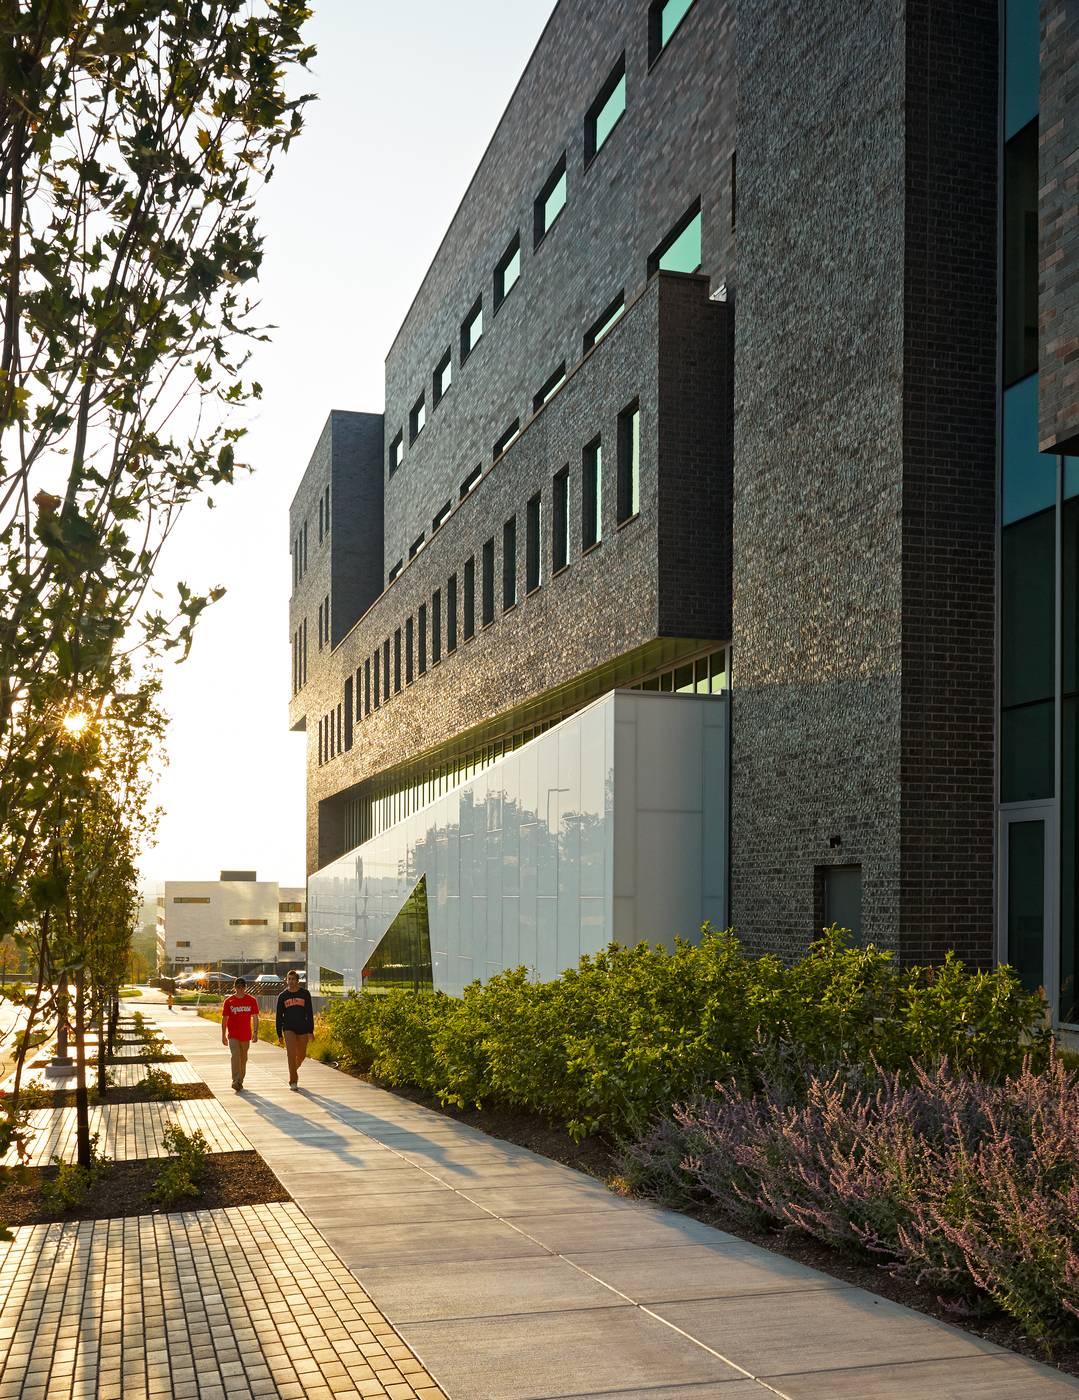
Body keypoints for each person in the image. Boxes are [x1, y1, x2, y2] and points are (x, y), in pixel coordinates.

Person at [276, 970, 314, 1090]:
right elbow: (278, 1016)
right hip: (288, 1029)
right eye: (289, 979)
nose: (291, 981)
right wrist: (279, 1034)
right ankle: (293, 1081)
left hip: (303, 1028)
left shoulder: (305, 994)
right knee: (291, 1054)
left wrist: (310, 1031)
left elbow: (309, 1013)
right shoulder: (282, 996)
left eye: (293, 979)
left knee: (301, 1055)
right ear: (287, 980)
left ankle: (293, 1070)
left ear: (297, 981)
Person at [221, 977, 259, 1091]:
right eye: (238, 987)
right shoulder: (229, 1001)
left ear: (245, 987)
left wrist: (256, 1033)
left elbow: (256, 1017)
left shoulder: (251, 1000)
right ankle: (235, 1080)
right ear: (235, 987)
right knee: (235, 1056)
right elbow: (224, 1019)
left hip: (246, 1034)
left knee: (243, 1058)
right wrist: (223, 1034)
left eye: (242, 987)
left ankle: (240, 1080)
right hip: (233, 1034)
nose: (240, 989)